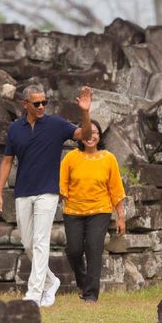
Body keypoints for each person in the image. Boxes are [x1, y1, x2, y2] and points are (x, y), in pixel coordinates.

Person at [0, 84, 92, 307]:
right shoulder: (15, 129)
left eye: (44, 102)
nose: (41, 107)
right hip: (23, 192)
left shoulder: (55, 124)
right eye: (36, 103)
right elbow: (7, 161)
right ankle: (51, 281)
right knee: (27, 243)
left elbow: (84, 134)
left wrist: (85, 112)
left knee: (40, 242)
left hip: (48, 192)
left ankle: (34, 294)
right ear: (25, 104)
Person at [59, 120, 126, 303]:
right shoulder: (70, 158)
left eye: (95, 132)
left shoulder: (108, 158)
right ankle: (83, 282)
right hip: (73, 211)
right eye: (87, 132)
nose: (91, 136)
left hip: (100, 211)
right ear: (81, 135)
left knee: (94, 249)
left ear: (100, 136)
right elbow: (61, 187)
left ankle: (90, 295)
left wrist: (121, 216)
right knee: (73, 250)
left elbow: (116, 190)